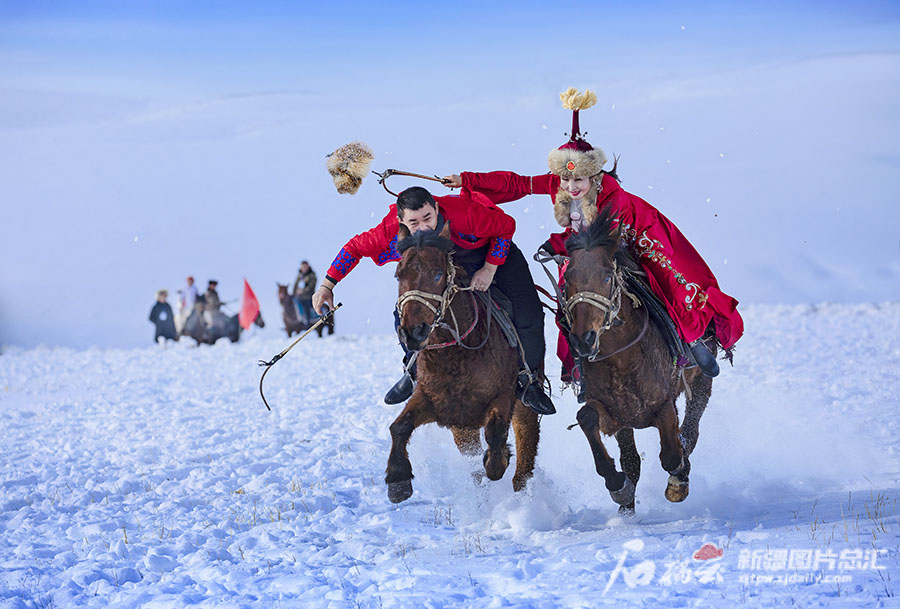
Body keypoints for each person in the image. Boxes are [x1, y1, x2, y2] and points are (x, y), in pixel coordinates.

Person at [442, 87, 743, 382]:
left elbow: (604, 237)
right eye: (565, 179)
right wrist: (466, 180)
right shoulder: (556, 184)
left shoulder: (613, 195)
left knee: (663, 281)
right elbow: (515, 184)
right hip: (583, 246)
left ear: (594, 176)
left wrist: (558, 244)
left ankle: (688, 341)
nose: (571, 187)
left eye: (579, 180)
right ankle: (578, 365)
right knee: (568, 293)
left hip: (632, 236)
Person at [312, 186, 556, 415]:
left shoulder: (465, 214)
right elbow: (354, 248)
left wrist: (489, 270)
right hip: (435, 267)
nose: (423, 227)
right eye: (414, 222)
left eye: (428, 218)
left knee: (529, 313)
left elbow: (506, 226)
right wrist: (326, 286)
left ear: (437, 209)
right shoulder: (388, 230)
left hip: (490, 254)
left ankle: (528, 380)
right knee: (407, 311)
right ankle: (412, 370)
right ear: (401, 222)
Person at [292, 261, 318, 325]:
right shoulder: (300, 275)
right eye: (302, 267)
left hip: (308, 296)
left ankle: (307, 321)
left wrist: (303, 291)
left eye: (305, 267)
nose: (304, 268)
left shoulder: (312, 275)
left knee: (306, 305)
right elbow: (295, 285)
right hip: (299, 296)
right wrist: (294, 292)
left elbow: (311, 286)